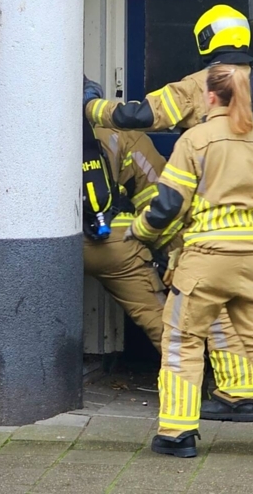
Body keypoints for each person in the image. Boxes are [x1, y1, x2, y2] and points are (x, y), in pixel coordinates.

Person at [84, 5, 253, 423]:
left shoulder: (201, 85)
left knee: (218, 308)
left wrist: (91, 106)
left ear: (205, 41)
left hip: (216, 226)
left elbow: (139, 116)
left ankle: (229, 398)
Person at [129, 64, 253, 461]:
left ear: (210, 97)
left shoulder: (195, 140)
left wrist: (142, 231)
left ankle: (177, 433)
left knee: (182, 342)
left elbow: (168, 205)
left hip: (205, 260)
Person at [81, 79, 174, 349]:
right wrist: (168, 250)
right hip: (113, 243)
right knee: (159, 319)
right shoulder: (119, 131)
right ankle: (189, 380)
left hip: (45, 247)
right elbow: (156, 194)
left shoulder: (25, 126)